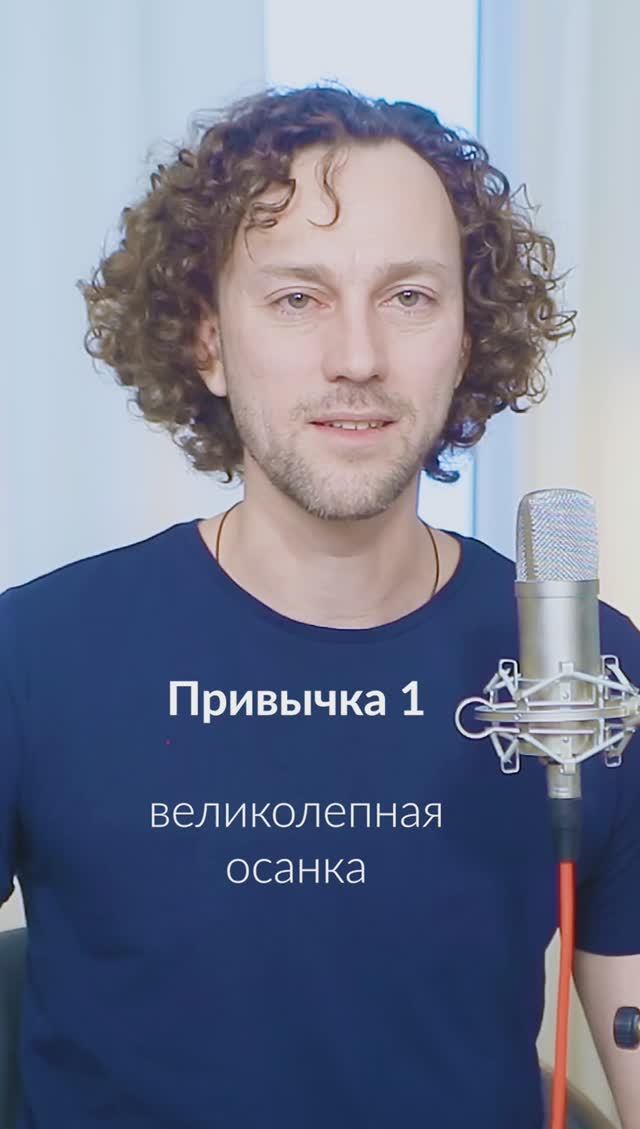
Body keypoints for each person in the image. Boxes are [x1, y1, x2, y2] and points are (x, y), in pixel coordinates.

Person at [1, 83, 639, 1129]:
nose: (358, 356)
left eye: (410, 297)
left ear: (467, 338)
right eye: (298, 298)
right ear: (208, 340)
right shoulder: (36, 656)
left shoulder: (582, 672)